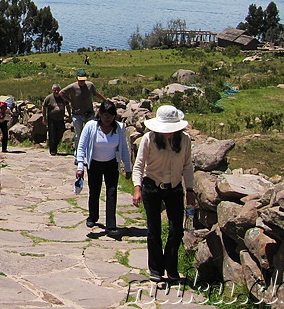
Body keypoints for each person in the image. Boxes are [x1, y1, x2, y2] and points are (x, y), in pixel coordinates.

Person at [132, 105, 195, 283]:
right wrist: (137, 188)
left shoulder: (184, 140)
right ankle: (156, 269)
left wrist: (190, 190)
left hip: (174, 187)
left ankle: (171, 266)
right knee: (154, 229)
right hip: (152, 186)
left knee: (176, 230)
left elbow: (187, 166)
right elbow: (139, 165)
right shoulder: (148, 139)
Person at [75, 100, 132, 236]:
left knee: (112, 193)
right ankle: (92, 217)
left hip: (112, 163)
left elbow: (124, 148)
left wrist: (128, 167)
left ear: (114, 116)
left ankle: (111, 225)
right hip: (94, 163)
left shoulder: (119, 128)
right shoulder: (90, 126)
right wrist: (80, 166)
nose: (107, 119)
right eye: (104, 115)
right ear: (99, 114)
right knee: (94, 191)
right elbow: (81, 147)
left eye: (110, 116)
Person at [60, 69, 107, 154]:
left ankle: (90, 154)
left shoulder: (90, 85)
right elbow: (61, 93)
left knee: (91, 134)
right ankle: (78, 154)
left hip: (89, 113)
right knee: (79, 135)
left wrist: (105, 100)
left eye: (83, 80)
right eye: (80, 80)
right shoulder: (72, 87)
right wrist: (70, 100)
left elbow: (95, 94)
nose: (82, 82)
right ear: (77, 78)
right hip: (77, 114)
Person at [42, 84, 70, 155]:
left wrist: (69, 115)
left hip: (60, 118)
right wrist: (44, 117)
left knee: (61, 132)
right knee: (52, 134)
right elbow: (44, 107)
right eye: (55, 90)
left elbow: (67, 105)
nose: (56, 91)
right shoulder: (49, 98)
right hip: (51, 119)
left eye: (58, 90)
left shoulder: (63, 97)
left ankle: (55, 145)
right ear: (52, 90)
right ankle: (53, 150)